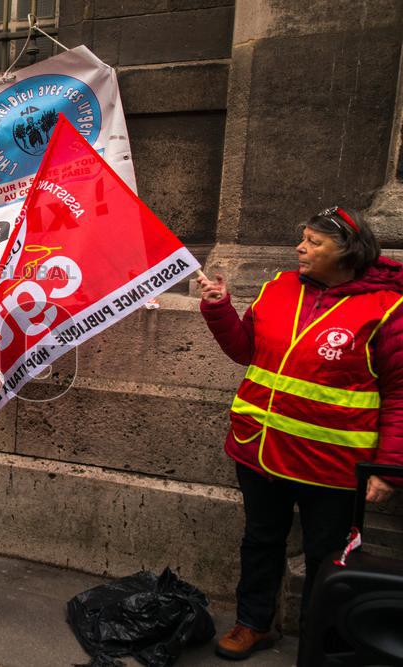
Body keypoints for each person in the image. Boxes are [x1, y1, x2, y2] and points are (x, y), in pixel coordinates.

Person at [197, 206, 403, 660]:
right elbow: (245, 350)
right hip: (260, 451)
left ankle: (318, 638)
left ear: (347, 251)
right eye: (303, 238)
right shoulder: (278, 287)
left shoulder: (388, 309)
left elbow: (401, 396)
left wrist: (388, 470)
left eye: (313, 243)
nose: (300, 249)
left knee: (325, 557)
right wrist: (218, 308)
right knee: (260, 541)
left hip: (331, 466)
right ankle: (254, 623)